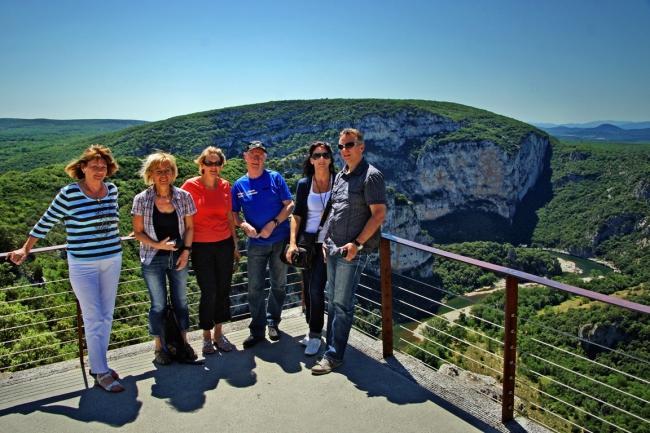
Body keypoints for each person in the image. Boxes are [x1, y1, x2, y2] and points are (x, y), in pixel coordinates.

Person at [8, 145, 124, 392]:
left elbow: (112, 223)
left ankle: (98, 363)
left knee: (106, 315)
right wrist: (25, 248)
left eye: (103, 167)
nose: (99, 171)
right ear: (83, 168)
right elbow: (45, 221)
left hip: (112, 259)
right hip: (83, 264)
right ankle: (101, 372)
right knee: (93, 317)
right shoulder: (70, 193)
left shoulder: (112, 190)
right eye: (94, 166)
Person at [311, 128, 387, 375]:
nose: (345, 150)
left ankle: (334, 356)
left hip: (351, 251)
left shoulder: (371, 176)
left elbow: (378, 215)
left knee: (342, 304)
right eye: (341, 146)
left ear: (361, 146)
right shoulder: (341, 176)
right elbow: (335, 210)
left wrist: (357, 244)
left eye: (350, 145)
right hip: (333, 247)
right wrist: (326, 240)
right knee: (332, 298)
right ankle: (332, 347)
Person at [131, 152, 197, 365]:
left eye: (167, 170)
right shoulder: (142, 199)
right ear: (150, 174)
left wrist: (186, 251)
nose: (163, 175)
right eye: (158, 171)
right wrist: (158, 245)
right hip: (153, 259)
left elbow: (189, 227)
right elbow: (138, 232)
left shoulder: (184, 197)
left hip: (179, 256)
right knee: (158, 305)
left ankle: (183, 343)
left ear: (173, 173)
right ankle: (160, 348)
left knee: (181, 302)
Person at [232, 141, 294, 348]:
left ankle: (273, 323)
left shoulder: (275, 178)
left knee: (279, 284)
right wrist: (243, 225)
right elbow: (234, 213)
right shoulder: (239, 185)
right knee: (254, 287)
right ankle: (257, 330)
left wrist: (273, 223)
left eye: (260, 155)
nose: (257, 158)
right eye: (253, 154)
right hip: (255, 243)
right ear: (245, 157)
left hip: (279, 240)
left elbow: (290, 205)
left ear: (265, 158)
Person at [181, 146, 239, 355]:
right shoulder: (189, 186)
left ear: (222, 165)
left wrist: (235, 245)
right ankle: (206, 337)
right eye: (209, 163)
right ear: (201, 165)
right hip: (200, 246)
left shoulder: (225, 186)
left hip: (224, 244)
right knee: (209, 291)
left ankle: (219, 333)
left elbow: (229, 218)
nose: (213, 167)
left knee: (223, 290)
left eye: (217, 163)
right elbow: (181, 217)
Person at [286, 141, 335, 356]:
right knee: (307, 288)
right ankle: (311, 330)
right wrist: (293, 243)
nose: (322, 158)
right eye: (317, 155)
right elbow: (296, 216)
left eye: (325, 154)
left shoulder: (340, 182)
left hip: (330, 244)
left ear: (331, 158)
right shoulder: (304, 184)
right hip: (308, 244)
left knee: (316, 288)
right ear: (311, 159)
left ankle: (315, 335)